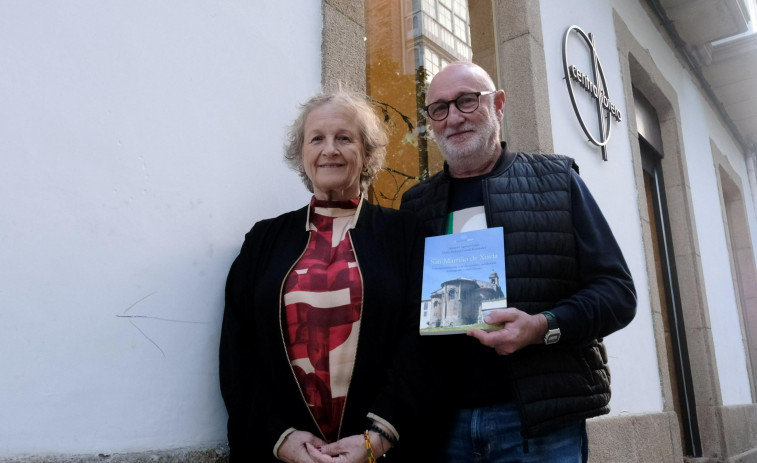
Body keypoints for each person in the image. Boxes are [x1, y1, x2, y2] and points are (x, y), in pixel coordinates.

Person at [400, 61, 637, 462]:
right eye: (439, 108)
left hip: (539, 427)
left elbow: (617, 293)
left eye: (466, 101)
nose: (453, 117)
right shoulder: (415, 204)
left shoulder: (557, 180)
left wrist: (542, 327)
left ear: (499, 104)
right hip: (442, 426)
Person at [220, 90, 424, 462]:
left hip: (383, 450)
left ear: (367, 154)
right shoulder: (264, 240)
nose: (330, 149)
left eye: (344, 138)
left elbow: (421, 341)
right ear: (302, 154)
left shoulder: (405, 235)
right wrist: (279, 438)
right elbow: (237, 350)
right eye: (317, 138)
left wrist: (377, 438)